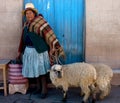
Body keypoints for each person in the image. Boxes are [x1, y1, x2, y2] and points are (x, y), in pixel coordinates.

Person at [17, 3, 65, 99]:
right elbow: (22, 39)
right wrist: (19, 51)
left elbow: (49, 35)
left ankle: (44, 90)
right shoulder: (26, 25)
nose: (28, 15)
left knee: (41, 71)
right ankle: (38, 88)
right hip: (29, 51)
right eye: (27, 14)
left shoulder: (41, 22)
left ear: (34, 13)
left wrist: (53, 47)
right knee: (35, 70)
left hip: (39, 52)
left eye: (30, 13)